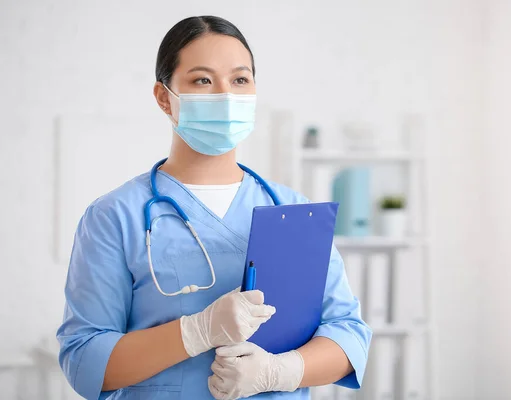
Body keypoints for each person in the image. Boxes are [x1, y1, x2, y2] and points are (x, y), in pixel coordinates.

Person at [57, 15, 372, 400]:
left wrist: (280, 372)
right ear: (163, 97)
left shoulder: (294, 211)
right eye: (202, 80)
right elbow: (84, 359)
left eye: (240, 80)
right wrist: (196, 332)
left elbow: (348, 335)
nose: (226, 96)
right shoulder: (115, 217)